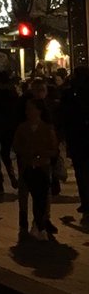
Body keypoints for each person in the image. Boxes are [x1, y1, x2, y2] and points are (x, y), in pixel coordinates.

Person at [14, 95, 59, 241]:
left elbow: (54, 149)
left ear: (39, 111)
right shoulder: (22, 127)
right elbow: (17, 146)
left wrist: (41, 154)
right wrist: (26, 154)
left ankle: (40, 222)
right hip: (27, 166)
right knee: (26, 192)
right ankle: (26, 219)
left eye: (31, 109)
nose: (28, 112)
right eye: (27, 109)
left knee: (41, 196)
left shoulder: (47, 128)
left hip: (42, 166)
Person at [58, 65, 89, 218]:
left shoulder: (69, 93)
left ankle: (85, 201)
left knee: (81, 171)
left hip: (76, 137)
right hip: (81, 135)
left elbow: (64, 117)